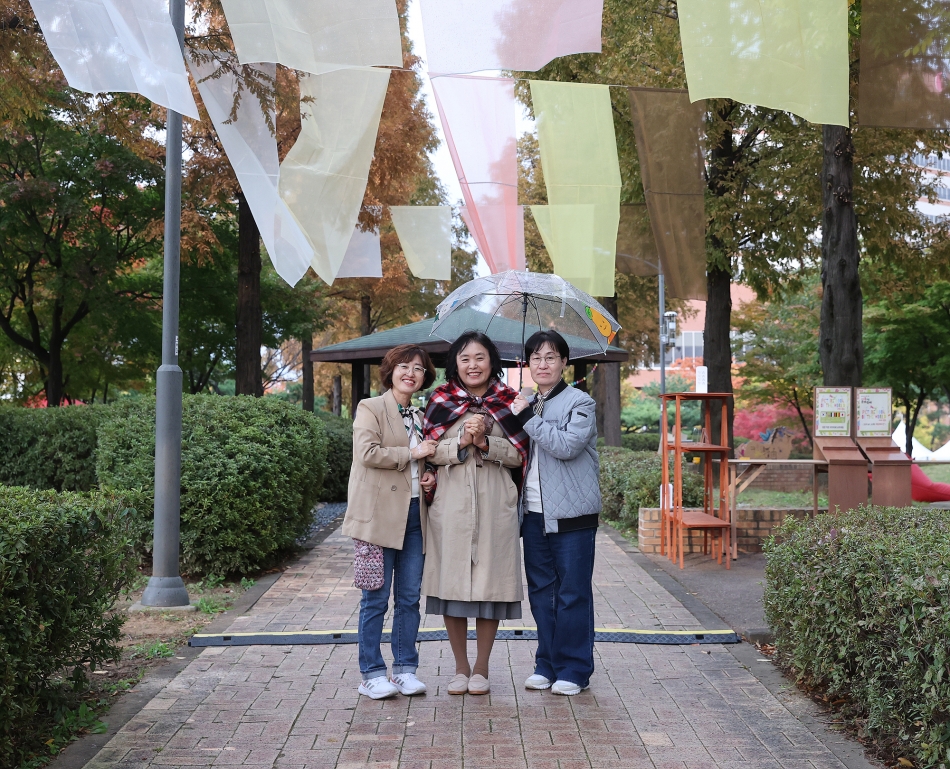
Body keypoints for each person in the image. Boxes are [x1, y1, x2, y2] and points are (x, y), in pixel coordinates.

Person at [422, 331, 529, 695]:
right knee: (451, 586)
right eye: (465, 358)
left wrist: (487, 442)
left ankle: (481, 669)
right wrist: (462, 443)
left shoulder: (510, 401)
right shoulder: (439, 400)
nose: (473, 365)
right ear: (455, 364)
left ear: (491, 361)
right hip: (450, 505)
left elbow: (522, 455)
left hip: (495, 502)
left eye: (480, 357)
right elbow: (428, 452)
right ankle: (460, 668)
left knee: (490, 589)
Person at [342, 344, 439, 700]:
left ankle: (405, 670)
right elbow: (367, 454)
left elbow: (424, 460)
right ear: (390, 370)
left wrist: (428, 475)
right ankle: (370, 673)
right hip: (379, 518)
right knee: (376, 599)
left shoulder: (419, 413)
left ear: (425, 376)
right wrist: (413, 454)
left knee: (410, 597)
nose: (410, 372)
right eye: (404, 366)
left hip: (415, 515)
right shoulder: (371, 407)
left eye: (418, 367)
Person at [510, 330, 601, 696]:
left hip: (572, 516)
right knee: (541, 592)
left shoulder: (581, 402)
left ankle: (575, 669)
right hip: (533, 514)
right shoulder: (527, 402)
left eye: (550, 357)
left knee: (573, 593)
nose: (542, 363)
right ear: (527, 364)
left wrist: (526, 416)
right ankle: (546, 663)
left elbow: (565, 446)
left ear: (565, 362)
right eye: (535, 357)